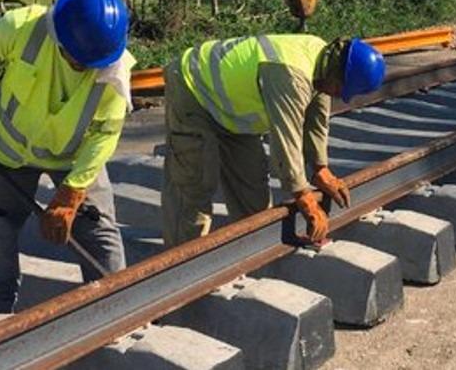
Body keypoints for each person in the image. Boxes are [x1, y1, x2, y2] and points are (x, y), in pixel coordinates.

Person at [0, 0, 134, 313]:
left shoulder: (113, 67)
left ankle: (118, 307)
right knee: (0, 225)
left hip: (73, 158)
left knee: (98, 229)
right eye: (78, 58)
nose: (85, 67)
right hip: (9, 151)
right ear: (61, 39)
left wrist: (72, 194)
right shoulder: (19, 28)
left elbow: (105, 134)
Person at [161, 35, 385, 247]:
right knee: (195, 180)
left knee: (253, 187)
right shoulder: (291, 75)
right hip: (193, 87)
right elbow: (286, 139)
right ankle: (181, 262)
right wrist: (304, 197)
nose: (338, 95)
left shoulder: (324, 61)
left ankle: (247, 253)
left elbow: (316, 120)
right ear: (337, 75)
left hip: (231, 110)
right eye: (340, 89)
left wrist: (320, 168)